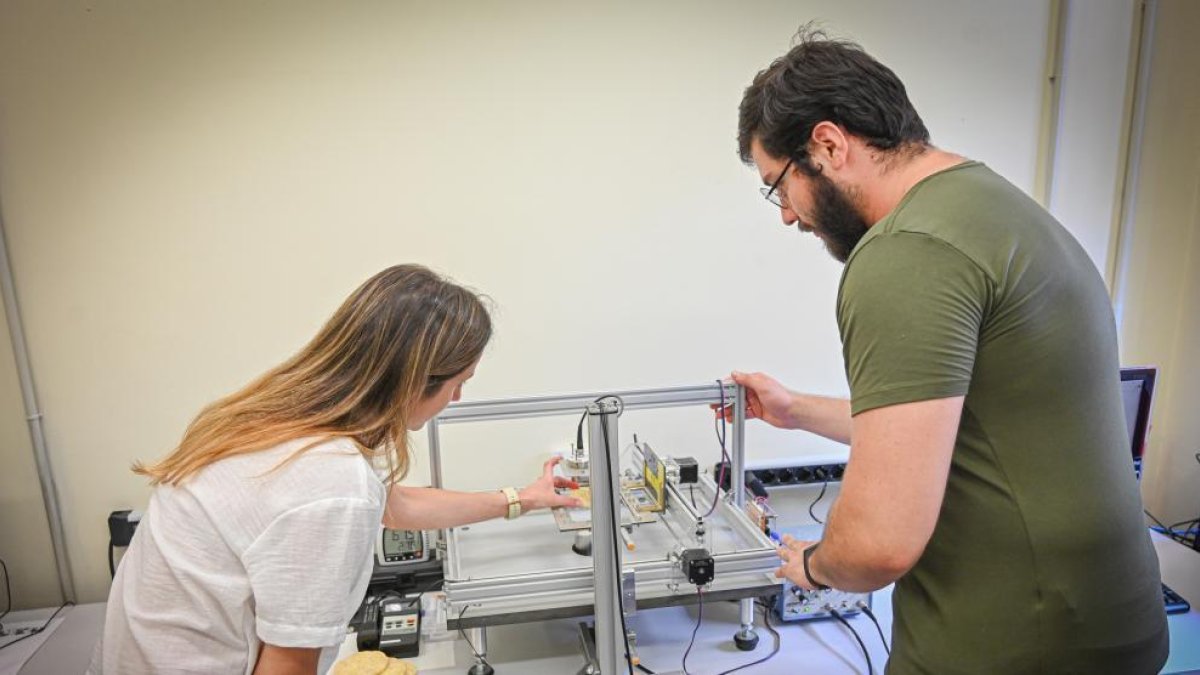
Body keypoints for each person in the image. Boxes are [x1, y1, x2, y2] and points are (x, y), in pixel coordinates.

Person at [727, 27, 1169, 674]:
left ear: (827, 144)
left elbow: (878, 544)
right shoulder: (994, 209)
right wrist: (794, 410)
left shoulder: (906, 252)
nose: (788, 215)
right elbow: (945, 427)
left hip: (1013, 647)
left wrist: (813, 564)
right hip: (1107, 629)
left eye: (779, 185)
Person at [89, 264, 580, 675]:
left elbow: (397, 505)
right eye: (457, 383)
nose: (458, 399)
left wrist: (524, 498)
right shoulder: (331, 482)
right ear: (412, 380)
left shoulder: (276, 423)